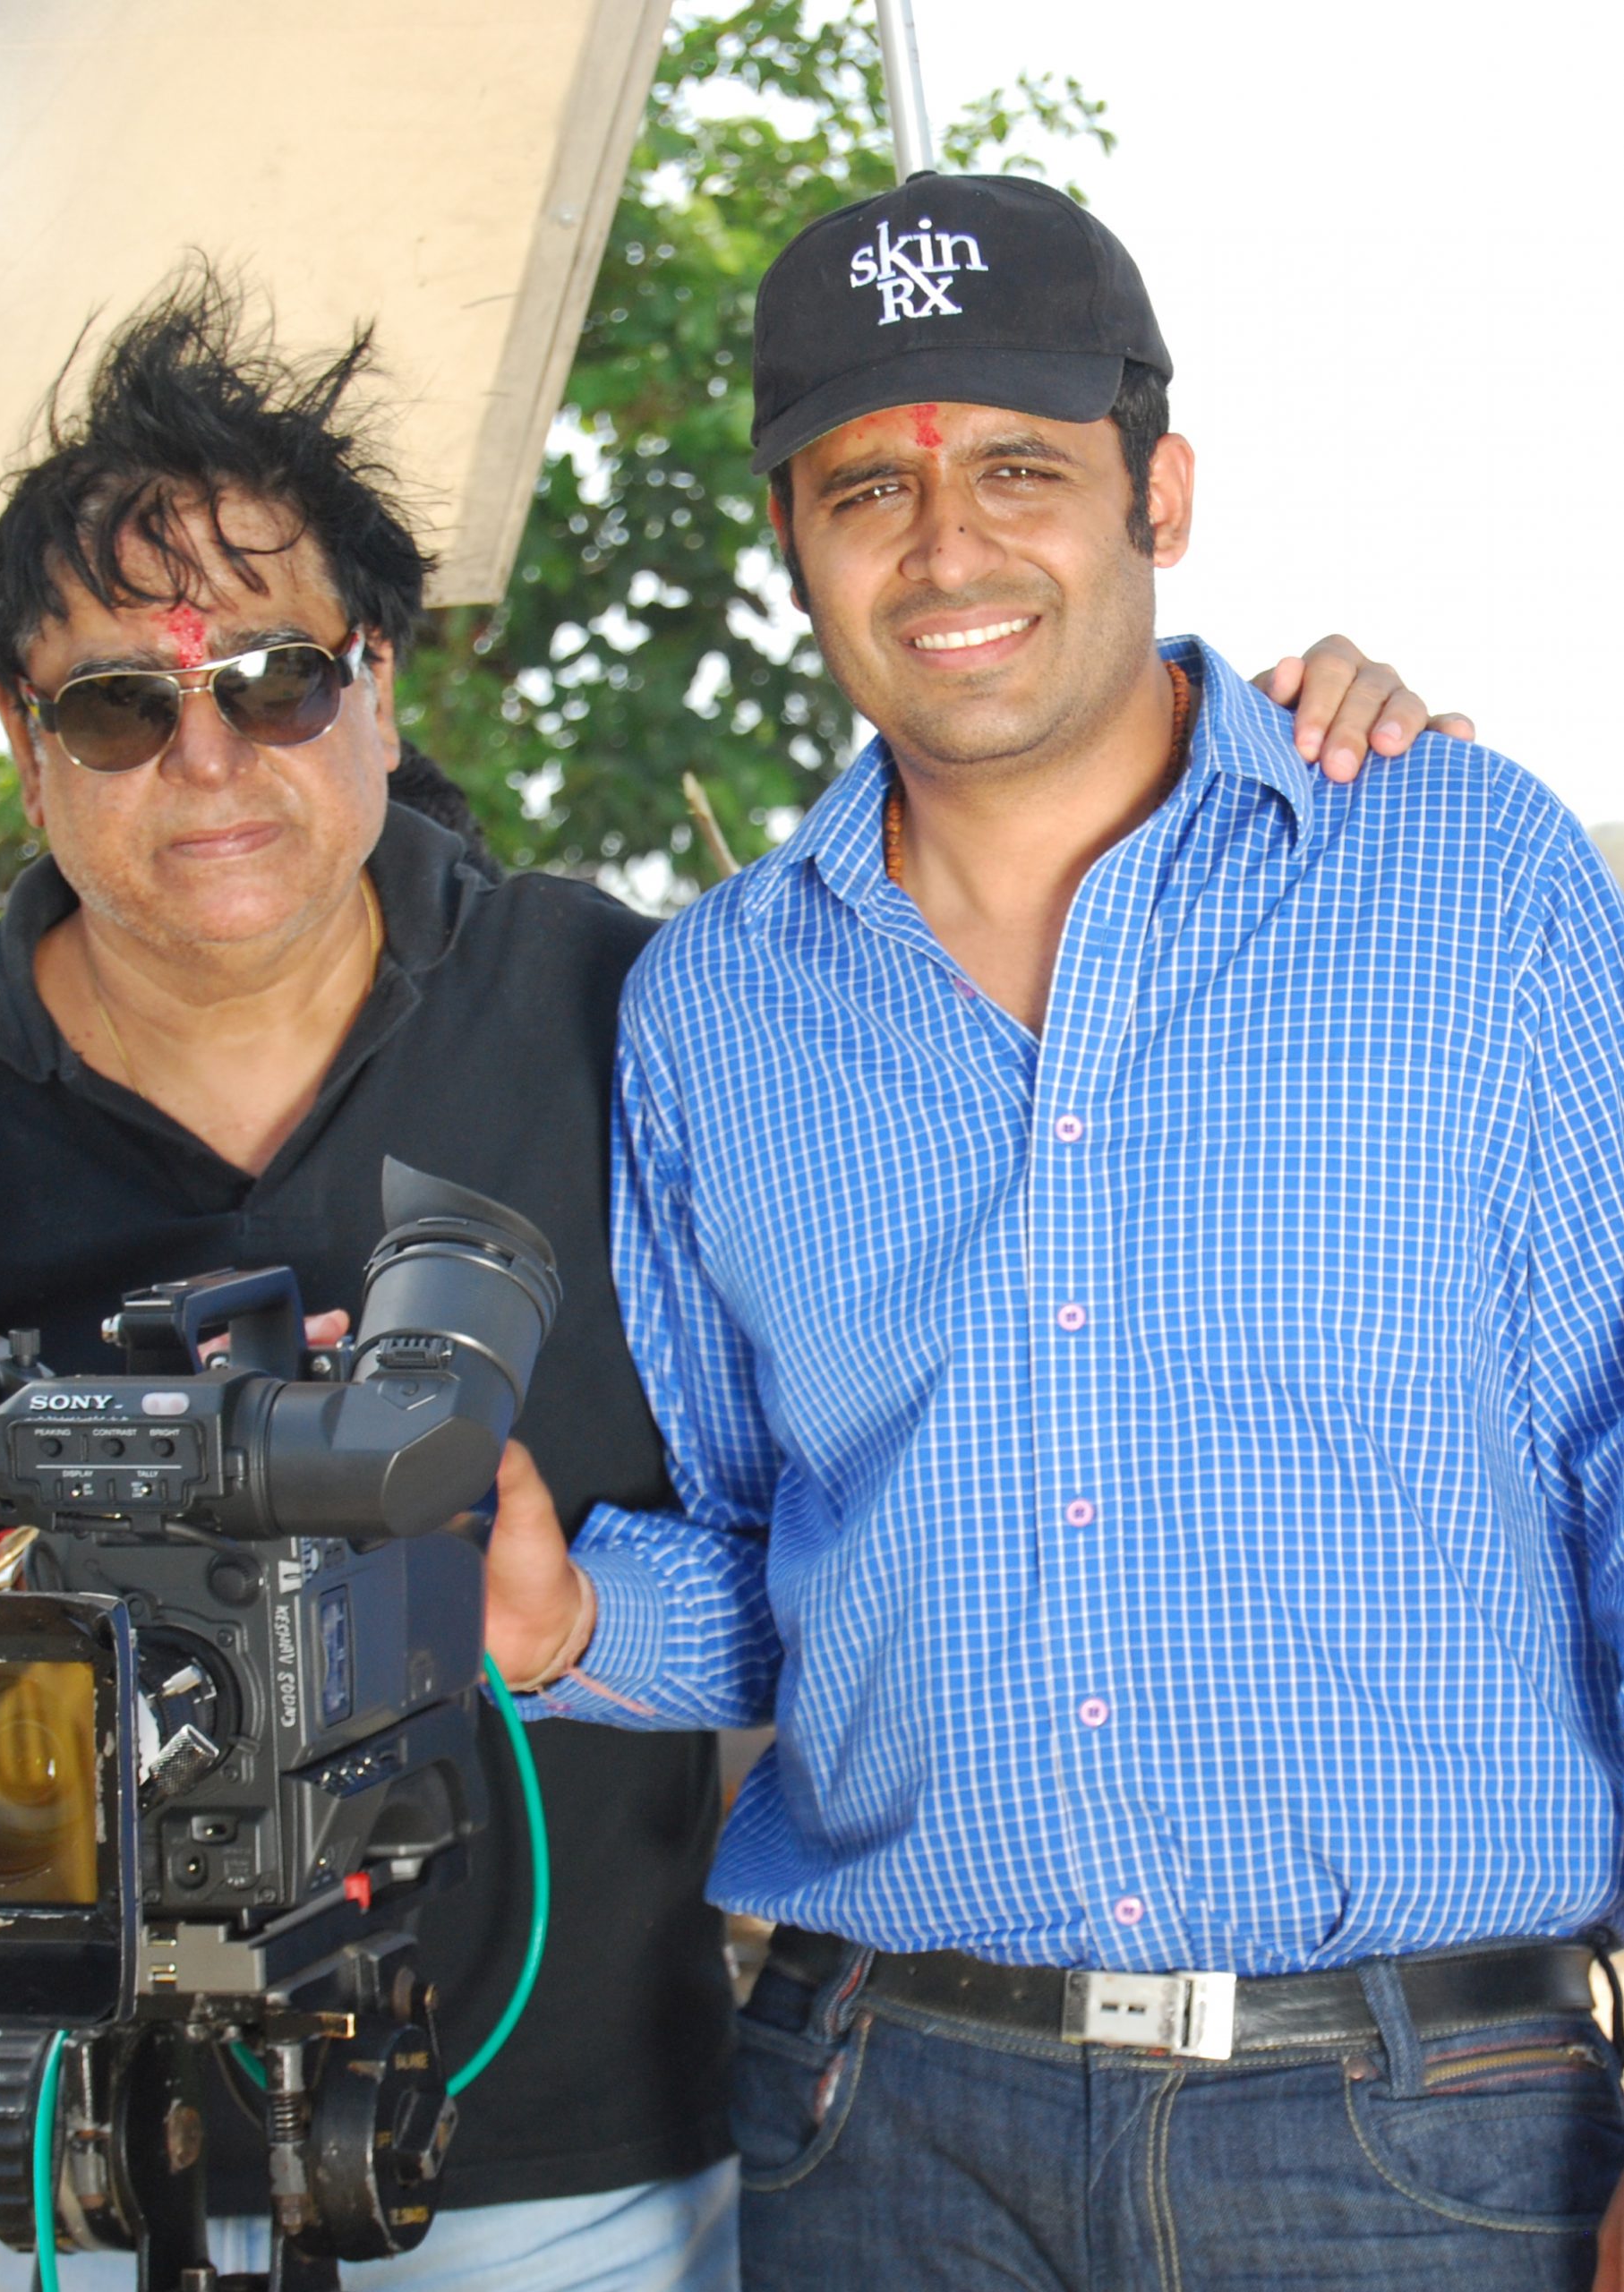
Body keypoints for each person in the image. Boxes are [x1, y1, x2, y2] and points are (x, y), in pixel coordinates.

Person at [0, 269, 1445, 2292]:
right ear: (23, 740)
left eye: (278, 679)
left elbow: (891, 1492)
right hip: (15, 2168)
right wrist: (101, 1615)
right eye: (119, 706)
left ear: (380, 682)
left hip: (562, 2173)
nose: (210, 757)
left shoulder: (635, 1005)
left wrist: (1277, 754)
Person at [483, 173, 1624, 2292]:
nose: (947, 547)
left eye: (1021, 467)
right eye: (867, 489)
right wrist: (562, 1627)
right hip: (885, 2123)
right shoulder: (713, 1010)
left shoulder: (1470, 877)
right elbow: (793, 1569)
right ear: (791, 538)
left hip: (1427, 2134)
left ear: (1157, 493)